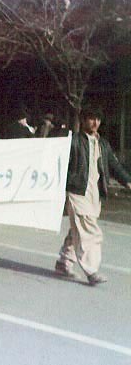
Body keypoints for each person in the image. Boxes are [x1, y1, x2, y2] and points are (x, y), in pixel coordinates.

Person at [55, 107, 131, 286]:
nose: (95, 122)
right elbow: (60, 163)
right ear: (83, 120)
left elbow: (114, 166)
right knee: (89, 231)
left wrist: (128, 181)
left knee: (78, 228)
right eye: (91, 118)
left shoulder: (103, 144)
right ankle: (92, 270)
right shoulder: (73, 142)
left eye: (98, 119)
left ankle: (64, 262)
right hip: (76, 191)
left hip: (94, 194)